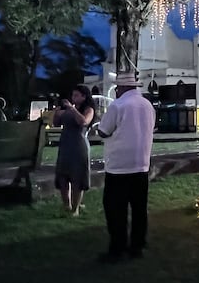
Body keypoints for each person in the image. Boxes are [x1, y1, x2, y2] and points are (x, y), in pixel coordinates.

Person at [97, 74, 156, 263]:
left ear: (120, 88)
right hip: (141, 164)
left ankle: (118, 247)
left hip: (119, 167)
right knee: (139, 209)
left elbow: (103, 130)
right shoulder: (147, 105)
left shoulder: (118, 105)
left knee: (115, 210)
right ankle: (137, 246)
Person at [53, 84, 95, 216]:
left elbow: (83, 122)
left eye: (76, 95)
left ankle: (75, 208)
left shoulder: (88, 109)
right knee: (63, 176)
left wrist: (71, 109)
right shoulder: (71, 109)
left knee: (77, 178)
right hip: (65, 145)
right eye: (73, 95)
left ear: (84, 97)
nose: (73, 98)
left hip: (79, 145)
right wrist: (57, 112)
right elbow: (56, 123)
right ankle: (66, 205)